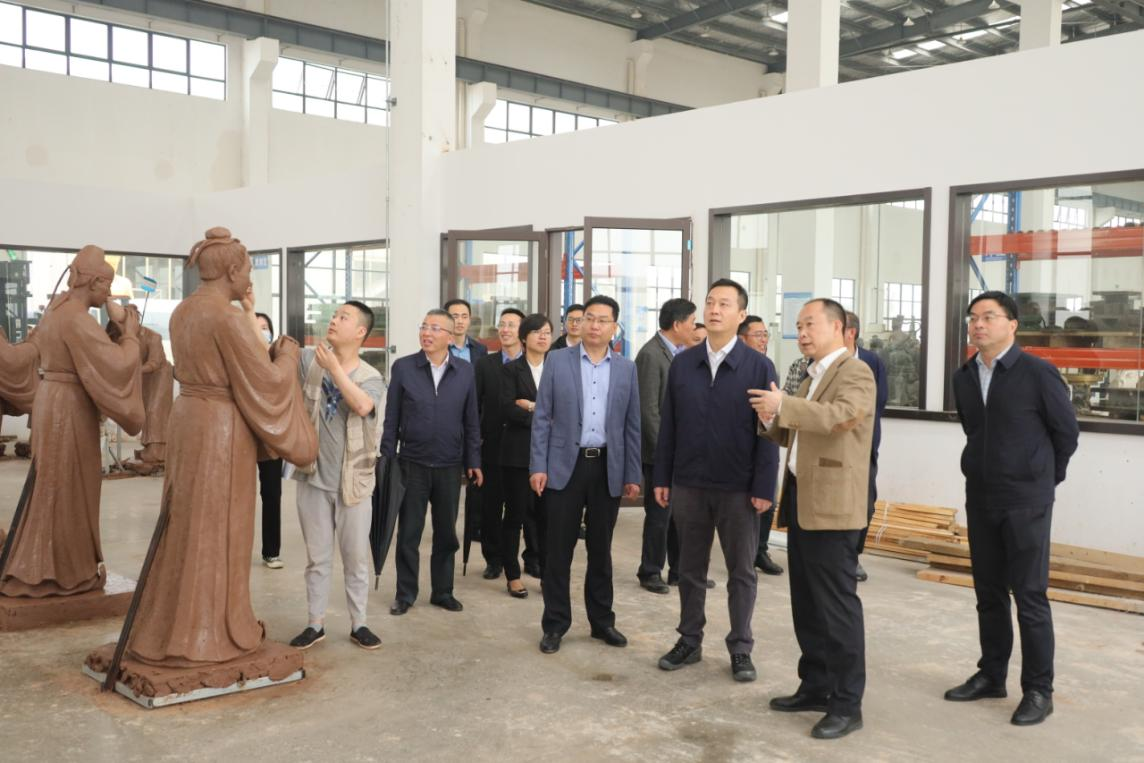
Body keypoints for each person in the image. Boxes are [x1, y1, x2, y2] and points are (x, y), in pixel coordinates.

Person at [121, 228, 318, 666]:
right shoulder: (226, 318)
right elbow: (264, 381)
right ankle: (209, 631)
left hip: (188, 418)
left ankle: (170, 624)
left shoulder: (183, 311)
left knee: (186, 520)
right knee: (218, 523)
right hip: (220, 429)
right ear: (231, 270)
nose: (249, 277)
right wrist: (286, 356)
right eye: (247, 269)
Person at [946, 291, 1078, 727]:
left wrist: (1043, 478)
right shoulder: (964, 376)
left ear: (1012, 324)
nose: (978, 325)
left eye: (989, 317)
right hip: (981, 497)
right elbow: (974, 431)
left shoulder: (1037, 372)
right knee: (988, 594)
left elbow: (1066, 433)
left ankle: (1039, 690)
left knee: (1030, 596)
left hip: (1026, 500)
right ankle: (991, 675)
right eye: (973, 318)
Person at [751, 297, 876, 740]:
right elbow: (798, 429)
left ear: (839, 329)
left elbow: (841, 417)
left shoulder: (855, 372)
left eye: (810, 325)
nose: (802, 333)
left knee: (837, 608)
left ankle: (847, 704)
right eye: (799, 326)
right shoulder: (812, 374)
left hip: (834, 507)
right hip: (804, 499)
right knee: (806, 602)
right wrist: (771, 417)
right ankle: (816, 686)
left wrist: (783, 404)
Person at [0, 246, 145, 599]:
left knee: (54, 484)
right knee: (69, 486)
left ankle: (48, 565)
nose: (108, 293)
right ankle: (64, 572)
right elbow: (116, 365)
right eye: (106, 285)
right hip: (69, 408)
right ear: (93, 282)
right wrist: (129, 333)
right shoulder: (77, 318)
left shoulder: (56, 310)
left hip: (51, 399)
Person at [654, 279, 779, 684]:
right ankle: (689, 640)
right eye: (710, 302)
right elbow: (669, 426)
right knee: (689, 568)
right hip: (689, 483)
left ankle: (741, 647)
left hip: (738, 488)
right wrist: (663, 476)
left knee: (741, 571)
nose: (714, 309)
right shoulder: (683, 363)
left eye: (725, 304)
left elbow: (769, 431)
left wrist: (764, 487)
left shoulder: (758, 366)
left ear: (741, 315)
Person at [530, 295, 641, 655]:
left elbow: (632, 425)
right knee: (557, 551)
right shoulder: (558, 361)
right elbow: (542, 418)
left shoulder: (626, 369)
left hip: (607, 466)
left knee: (601, 550)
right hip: (565, 466)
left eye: (602, 320)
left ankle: (602, 621)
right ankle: (555, 624)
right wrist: (538, 466)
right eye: (589, 318)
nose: (594, 325)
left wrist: (633, 472)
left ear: (614, 328)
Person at [289, 301, 386, 652]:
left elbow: (362, 406)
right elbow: (269, 356)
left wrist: (334, 368)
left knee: (355, 559)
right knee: (317, 558)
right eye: (334, 315)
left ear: (360, 332)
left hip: (354, 483)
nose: (334, 320)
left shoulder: (372, 377)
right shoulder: (309, 360)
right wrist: (249, 309)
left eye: (343, 317)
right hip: (313, 477)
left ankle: (359, 623)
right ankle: (315, 624)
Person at [384, 309, 482, 616]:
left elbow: (471, 419)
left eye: (435, 328)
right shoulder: (404, 367)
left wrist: (473, 459)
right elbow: (391, 417)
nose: (427, 333)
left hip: (450, 464)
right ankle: (405, 593)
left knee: (446, 533)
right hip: (411, 463)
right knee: (409, 533)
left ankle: (443, 591)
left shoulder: (465, 371)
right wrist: (387, 459)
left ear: (450, 337)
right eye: (424, 326)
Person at [635, 298, 695, 594]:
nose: (695, 328)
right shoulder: (651, 355)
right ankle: (650, 571)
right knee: (659, 515)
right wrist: (665, 452)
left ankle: (678, 571)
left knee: (679, 515)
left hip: (679, 452)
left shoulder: (680, 353)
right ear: (677, 324)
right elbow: (648, 411)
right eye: (692, 322)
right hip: (659, 453)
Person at [500, 313, 553, 597]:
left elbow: (565, 408)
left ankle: (546, 573)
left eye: (547, 332)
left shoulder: (557, 368)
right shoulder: (511, 370)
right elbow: (507, 409)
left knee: (547, 518)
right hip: (518, 455)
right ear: (524, 338)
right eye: (537, 332)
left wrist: (531, 406)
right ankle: (512, 574)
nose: (543, 337)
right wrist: (545, 415)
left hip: (551, 455)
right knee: (515, 516)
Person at [474, 308, 525, 580]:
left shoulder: (533, 364)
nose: (505, 330)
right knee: (491, 506)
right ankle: (493, 559)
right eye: (502, 324)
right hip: (492, 445)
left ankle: (531, 558)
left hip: (523, 446)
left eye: (511, 325)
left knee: (524, 508)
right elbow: (475, 405)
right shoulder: (485, 365)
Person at [844, 311, 888, 583]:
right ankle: (839, 557)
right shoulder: (819, 361)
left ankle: (853, 555)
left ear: (851, 333)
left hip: (865, 443)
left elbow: (879, 401)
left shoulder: (872, 361)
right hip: (831, 445)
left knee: (865, 502)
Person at [739, 315, 783, 577]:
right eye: (758, 335)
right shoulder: (737, 366)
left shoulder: (766, 365)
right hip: (741, 447)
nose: (763, 339)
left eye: (765, 334)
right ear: (742, 338)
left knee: (769, 497)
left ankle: (760, 551)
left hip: (766, 439)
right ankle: (746, 554)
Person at [254, 313, 285, 569]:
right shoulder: (238, 355)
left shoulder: (278, 357)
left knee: (272, 494)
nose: (262, 331)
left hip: (271, 436)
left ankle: (271, 552)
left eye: (265, 327)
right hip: (244, 435)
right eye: (256, 327)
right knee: (239, 496)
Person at [444, 298, 489, 363]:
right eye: (455, 317)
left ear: (469, 320)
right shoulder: (438, 347)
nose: (460, 321)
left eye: (464, 317)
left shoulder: (481, 349)